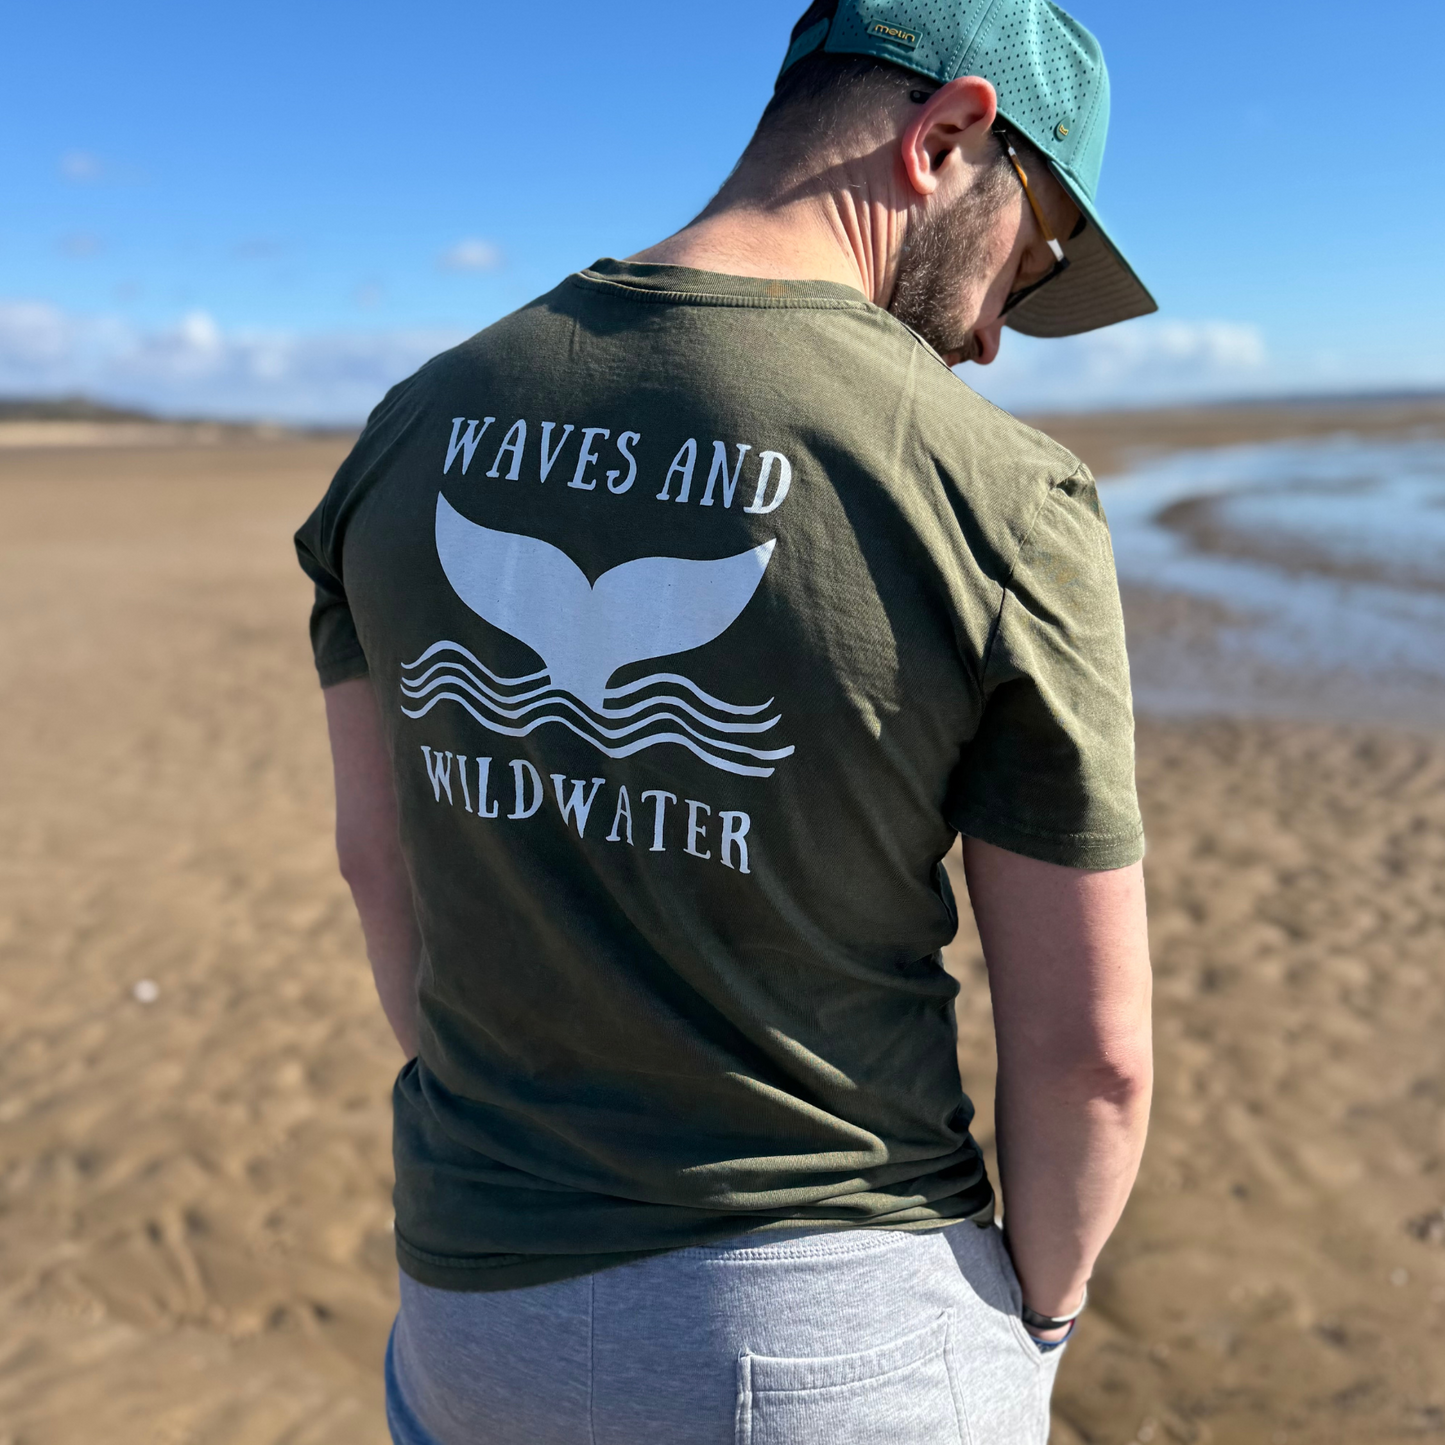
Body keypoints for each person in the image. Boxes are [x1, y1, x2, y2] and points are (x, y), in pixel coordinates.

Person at [296, 2, 1156, 1440]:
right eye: (1037, 253)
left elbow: (382, 876)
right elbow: (1093, 1058)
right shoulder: (1001, 498)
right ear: (947, 139)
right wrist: (1046, 1319)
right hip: (828, 1339)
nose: (1002, 333)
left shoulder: (408, 430)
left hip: (465, 1311)